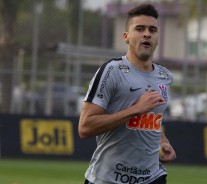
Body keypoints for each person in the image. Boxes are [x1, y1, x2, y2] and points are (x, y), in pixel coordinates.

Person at [78, 4, 176, 184]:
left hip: (152, 177)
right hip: (107, 179)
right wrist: (136, 109)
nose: (147, 34)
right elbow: (85, 127)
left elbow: (152, 119)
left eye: (152, 30)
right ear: (126, 37)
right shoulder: (112, 71)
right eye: (140, 29)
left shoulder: (165, 76)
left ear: (157, 38)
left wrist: (162, 141)